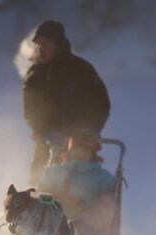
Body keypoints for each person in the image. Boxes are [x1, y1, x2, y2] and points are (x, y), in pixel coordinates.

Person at [23, 20, 110, 186]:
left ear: (58, 44)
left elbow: (101, 104)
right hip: (47, 145)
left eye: (46, 43)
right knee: (38, 188)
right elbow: (30, 111)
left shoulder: (81, 70)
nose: (40, 48)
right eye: (38, 44)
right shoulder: (35, 75)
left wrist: (89, 129)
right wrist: (43, 132)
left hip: (80, 145)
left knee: (77, 192)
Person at [38, 133, 116, 217]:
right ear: (70, 151)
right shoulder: (55, 172)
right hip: (50, 218)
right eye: (76, 149)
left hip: (85, 224)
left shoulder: (103, 177)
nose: (80, 153)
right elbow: (40, 193)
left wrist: (81, 205)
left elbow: (106, 206)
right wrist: (55, 200)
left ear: (92, 153)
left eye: (85, 150)